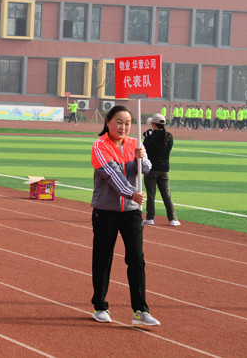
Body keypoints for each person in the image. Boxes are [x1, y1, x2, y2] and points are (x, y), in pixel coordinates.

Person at [89, 105, 158, 326]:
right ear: (108, 122)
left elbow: (145, 169)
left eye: (127, 123)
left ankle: (140, 310)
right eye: (119, 122)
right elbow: (112, 175)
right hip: (105, 212)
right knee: (103, 258)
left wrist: (142, 158)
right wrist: (131, 193)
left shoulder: (135, 143)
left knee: (136, 258)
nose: (123, 127)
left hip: (131, 212)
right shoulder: (100, 146)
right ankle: (100, 306)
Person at [142, 114, 179, 227]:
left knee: (151, 194)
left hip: (151, 169)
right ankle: (173, 219)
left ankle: (150, 218)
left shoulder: (150, 137)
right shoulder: (169, 136)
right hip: (164, 169)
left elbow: (144, 149)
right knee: (166, 194)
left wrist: (147, 137)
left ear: (154, 124)